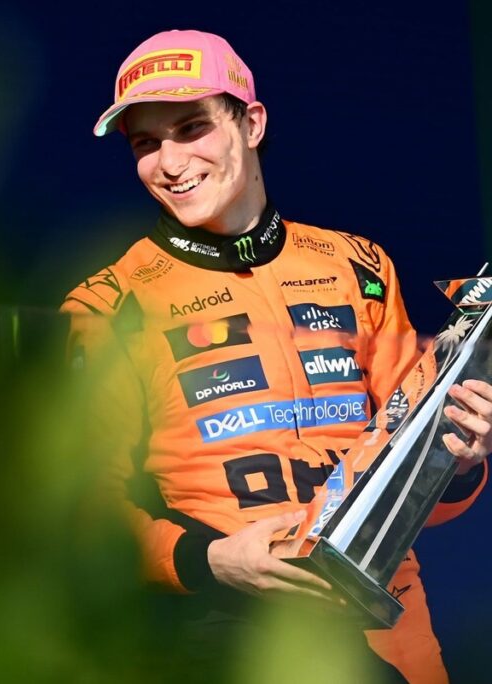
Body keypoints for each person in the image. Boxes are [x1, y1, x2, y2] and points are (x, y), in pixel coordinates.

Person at [62, 29, 492, 682]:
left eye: (191, 128)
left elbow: (423, 487)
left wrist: (460, 458)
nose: (170, 162)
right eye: (145, 143)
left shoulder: (359, 266)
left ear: (252, 123)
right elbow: (83, 515)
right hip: (226, 634)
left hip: (394, 631)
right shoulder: (109, 305)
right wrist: (211, 562)